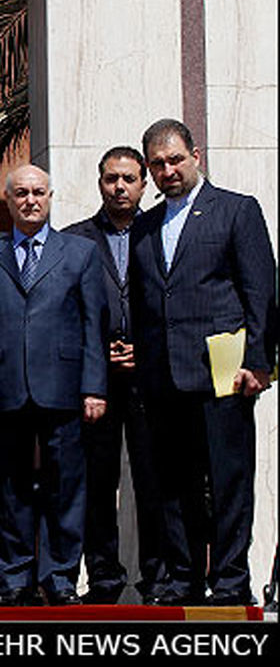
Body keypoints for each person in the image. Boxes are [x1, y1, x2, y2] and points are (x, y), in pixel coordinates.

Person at [129, 119, 276, 606]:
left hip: (224, 375)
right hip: (163, 378)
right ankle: (184, 578)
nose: (168, 170)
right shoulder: (145, 225)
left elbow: (261, 292)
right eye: (158, 164)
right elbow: (147, 301)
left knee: (229, 481)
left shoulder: (236, 210)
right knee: (174, 485)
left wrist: (259, 363)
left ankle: (231, 580)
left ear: (196, 155)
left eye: (175, 159)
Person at [0, 164, 107, 606]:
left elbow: (93, 325)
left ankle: (60, 578)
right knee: (9, 489)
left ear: (50, 196)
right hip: (5, 389)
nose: (30, 200)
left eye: (38, 192)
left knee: (66, 488)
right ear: (7, 201)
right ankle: (11, 577)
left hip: (64, 389)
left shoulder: (80, 252)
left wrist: (95, 387)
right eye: (21, 193)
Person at [62, 146, 166, 604]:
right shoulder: (74, 239)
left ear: (144, 183)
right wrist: (98, 352)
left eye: (128, 179)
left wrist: (143, 348)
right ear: (99, 182)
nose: (120, 187)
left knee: (154, 480)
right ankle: (103, 579)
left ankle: (158, 579)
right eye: (111, 179)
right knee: (98, 482)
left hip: (151, 376)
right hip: (94, 379)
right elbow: (63, 312)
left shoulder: (162, 230)